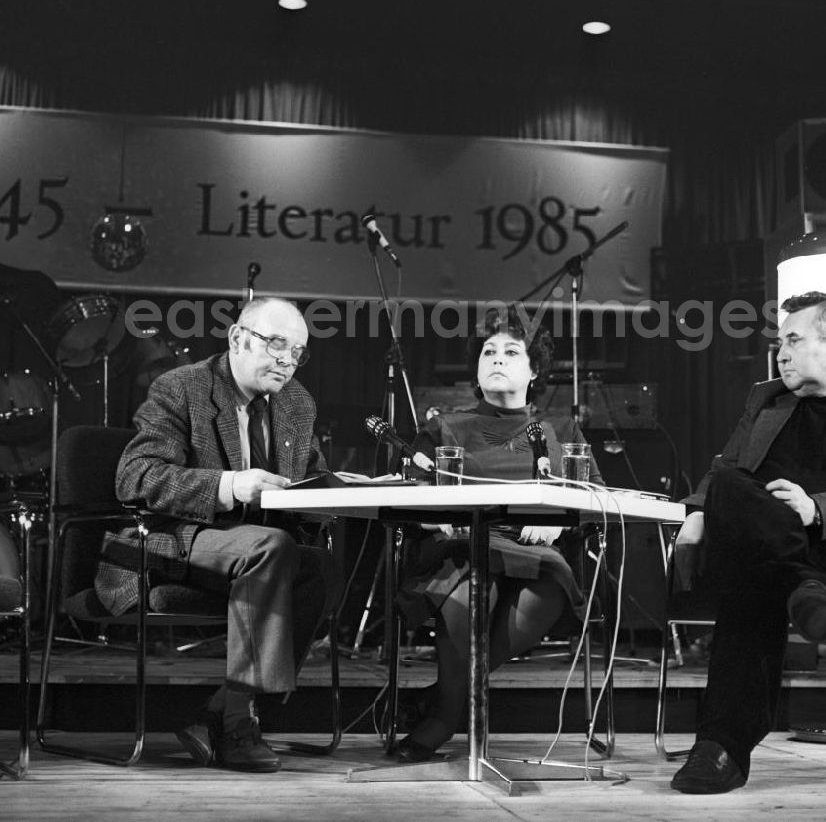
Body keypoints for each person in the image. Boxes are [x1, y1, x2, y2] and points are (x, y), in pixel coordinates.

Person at [669, 291, 826, 794]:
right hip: (780, 565)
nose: (780, 352)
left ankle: (720, 746)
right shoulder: (765, 398)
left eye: (792, 339)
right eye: (778, 342)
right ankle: (801, 588)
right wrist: (698, 511)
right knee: (729, 490)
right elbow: (726, 473)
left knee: (752, 583)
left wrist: (815, 507)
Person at [96, 297, 335, 773]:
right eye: (276, 344)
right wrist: (228, 485)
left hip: (257, 552)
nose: (287, 360)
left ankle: (224, 712)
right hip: (172, 539)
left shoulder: (296, 402)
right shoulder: (182, 387)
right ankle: (238, 723)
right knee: (273, 547)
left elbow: (310, 477)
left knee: (317, 564)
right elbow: (135, 476)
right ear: (237, 338)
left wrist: (344, 490)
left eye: (298, 351)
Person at [391, 306, 602, 762]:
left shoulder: (561, 430)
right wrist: (432, 512)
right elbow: (408, 492)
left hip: (531, 551)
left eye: (511, 351)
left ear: (534, 370)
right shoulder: (446, 426)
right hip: (462, 545)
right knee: (469, 592)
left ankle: (442, 701)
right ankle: (446, 719)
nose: (497, 358)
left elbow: (597, 498)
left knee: (550, 584)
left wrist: (555, 518)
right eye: (488, 351)